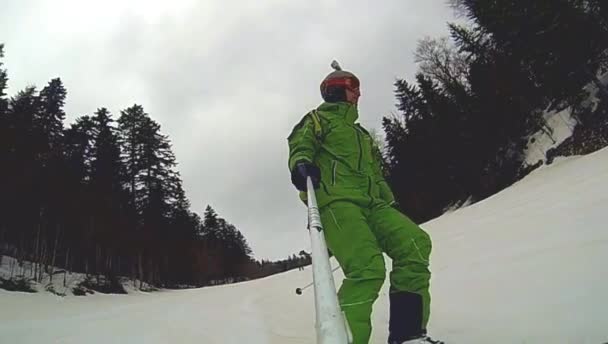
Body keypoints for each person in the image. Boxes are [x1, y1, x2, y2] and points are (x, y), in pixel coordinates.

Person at [286, 61, 443, 344]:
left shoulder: (361, 135)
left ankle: (408, 334)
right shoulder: (317, 120)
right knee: (367, 268)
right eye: (353, 87)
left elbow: (375, 174)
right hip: (337, 202)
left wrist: (389, 203)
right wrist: (300, 165)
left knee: (414, 244)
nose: (358, 94)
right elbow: (300, 145)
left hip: (373, 205)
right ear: (336, 90)